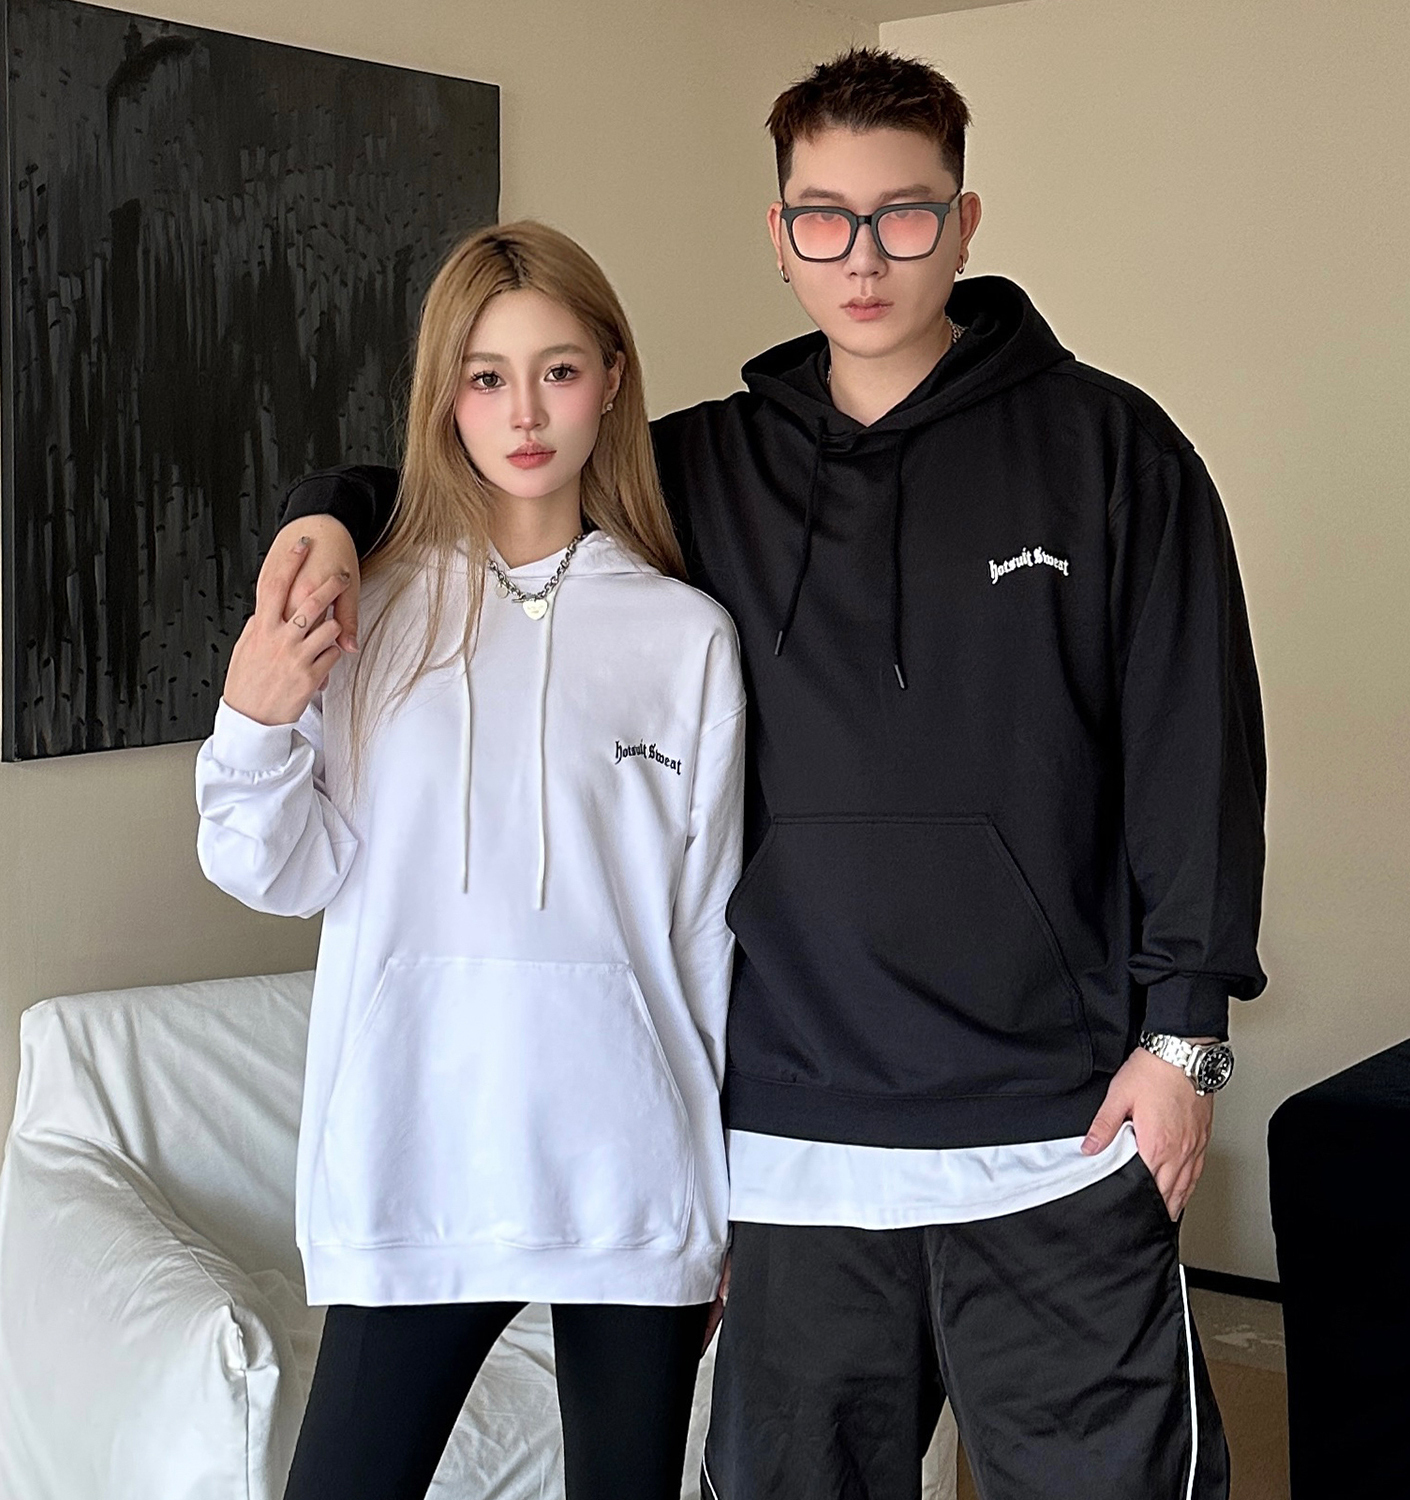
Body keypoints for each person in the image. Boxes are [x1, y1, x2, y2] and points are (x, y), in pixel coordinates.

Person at [259, 49, 1265, 1500]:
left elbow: (1197, 748)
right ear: (780, 235)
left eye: (904, 214)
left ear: (966, 223)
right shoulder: (707, 472)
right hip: (794, 1156)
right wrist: (325, 513)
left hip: (1056, 1131)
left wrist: (1185, 1043)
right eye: (824, 217)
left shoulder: (1112, 450)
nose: (864, 256)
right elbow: (492, 476)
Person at [196, 221, 745, 1500]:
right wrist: (255, 716)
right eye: (487, 376)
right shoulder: (369, 608)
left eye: (559, 371)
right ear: (445, 395)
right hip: (415, 1165)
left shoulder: (686, 638)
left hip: (630, 1186)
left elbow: (708, 938)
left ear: (612, 380)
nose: (525, 413)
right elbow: (271, 870)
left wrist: (723, 1208)